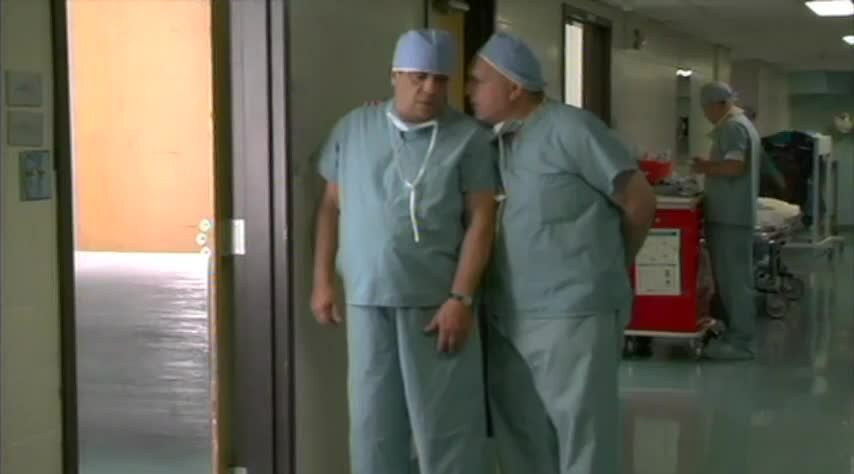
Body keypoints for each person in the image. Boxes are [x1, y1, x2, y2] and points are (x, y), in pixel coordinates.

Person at [467, 32, 657, 474]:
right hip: (507, 312)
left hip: (573, 313)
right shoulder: (490, 142)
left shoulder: (572, 130)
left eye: (479, 81)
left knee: (581, 435)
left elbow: (640, 203)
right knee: (521, 434)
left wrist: (612, 264)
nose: (469, 90)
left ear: (514, 87)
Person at [310, 29, 498, 474]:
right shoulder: (355, 128)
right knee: (373, 422)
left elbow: (483, 220)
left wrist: (461, 297)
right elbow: (330, 207)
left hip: (435, 303)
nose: (430, 88)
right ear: (395, 75)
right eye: (418, 77)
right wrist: (322, 281)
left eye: (440, 79)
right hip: (367, 297)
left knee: (445, 426)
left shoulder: (467, 139)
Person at [691, 81, 761, 360]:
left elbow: (734, 166)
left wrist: (704, 166)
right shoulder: (743, 125)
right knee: (733, 280)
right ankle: (736, 334)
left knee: (734, 282)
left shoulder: (733, 127)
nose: (706, 114)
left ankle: (742, 343)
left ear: (718, 104)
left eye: (706, 109)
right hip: (732, 214)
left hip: (730, 217)